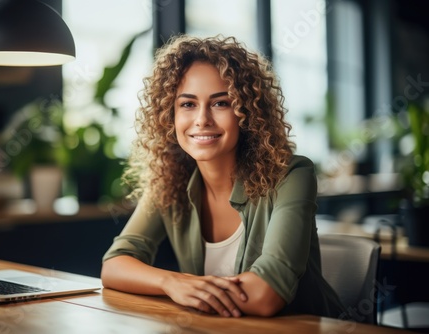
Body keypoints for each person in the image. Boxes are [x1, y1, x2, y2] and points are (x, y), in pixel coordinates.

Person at [101, 34, 346, 319]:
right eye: (188, 104)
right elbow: (115, 265)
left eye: (220, 103)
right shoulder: (169, 182)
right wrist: (173, 283)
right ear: (170, 114)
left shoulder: (291, 175)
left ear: (248, 113)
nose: (202, 119)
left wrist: (196, 291)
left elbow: (266, 295)